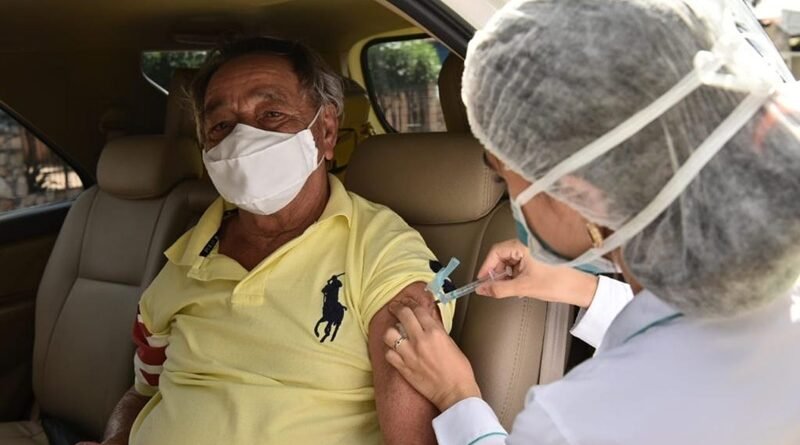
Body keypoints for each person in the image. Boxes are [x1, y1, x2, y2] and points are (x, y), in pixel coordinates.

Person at [383, 0, 800, 443]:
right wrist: (574, 287)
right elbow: (684, 330)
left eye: (504, 174)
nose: (512, 201)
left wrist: (456, 395)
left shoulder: (574, 423)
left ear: (579, 193)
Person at [80, 37, 454, 445]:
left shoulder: (382, 252)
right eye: (221, 125)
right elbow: (143, 391)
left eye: (271, 114)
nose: (243, 140)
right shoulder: (184, 256)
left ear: (326, 131)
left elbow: (414, 439)